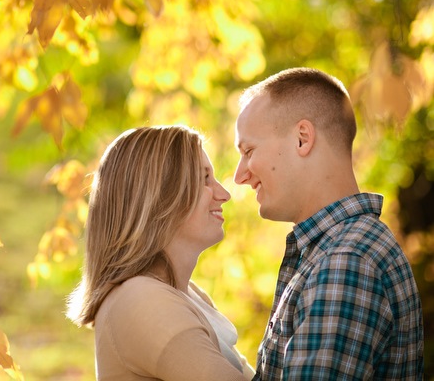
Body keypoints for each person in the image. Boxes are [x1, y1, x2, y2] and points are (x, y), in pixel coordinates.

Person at [234, 67, 424, 380]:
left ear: (302, 139)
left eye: (249, 150)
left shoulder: (347, 261)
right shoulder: (331, 252)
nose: (240, 175)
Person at [68, 125, 254, 380]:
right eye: (204, 179)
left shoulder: (184, 294)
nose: (224, 194)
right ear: (160, 196)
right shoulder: (143, 300)